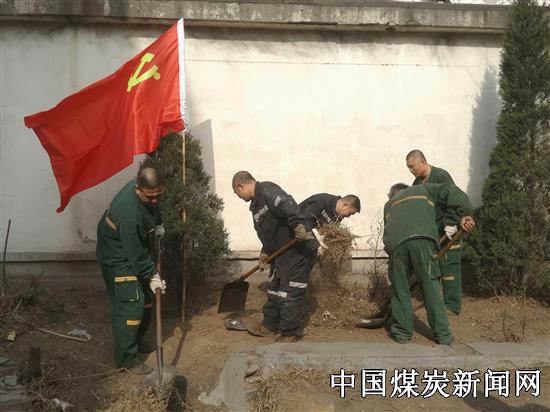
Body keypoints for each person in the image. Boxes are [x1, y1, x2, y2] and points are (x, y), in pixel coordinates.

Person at [383, 182, 475, 345]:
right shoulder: (423, 189)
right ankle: (443, 335)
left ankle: (402, 333)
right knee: (430, 286)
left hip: (396, 245)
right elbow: (450, 190)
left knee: (400, 288)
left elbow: (389, 233)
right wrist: (465, 214)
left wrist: (395, 268)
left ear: (392, 195)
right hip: (423, 239)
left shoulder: (388, 205)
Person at [96, 167, 167, 374]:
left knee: (146, 299)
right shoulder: (129, 213)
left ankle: (136, 340)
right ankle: (126, 359)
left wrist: (158, 223)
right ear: (138, 189)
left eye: (159, 195)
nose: (155, 200)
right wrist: (152, 274)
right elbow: (134, 253)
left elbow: (153, 207)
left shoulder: (149, 193)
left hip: (132, 250)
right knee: (131, 305)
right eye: (150, 197)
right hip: (117, 256)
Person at [232, 171, 316, 342]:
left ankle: (289, 333)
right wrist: (265, 252)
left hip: (299, 251)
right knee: (274, 291)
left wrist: (298, 225)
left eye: (237, 193)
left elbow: (288, 204)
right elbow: (269, 233)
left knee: (289, 293)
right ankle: (269, 326)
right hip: (283, 255)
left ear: (241, 186)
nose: (238, 197)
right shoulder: (256, 205)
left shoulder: (267, 190)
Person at [406, 149, 463, 315]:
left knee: (449, 269)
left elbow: (454, 198)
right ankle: (437, 303)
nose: (411, 170)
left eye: (413, 166)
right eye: (408, 168)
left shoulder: (441, 176)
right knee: (434, 269)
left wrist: (451, 223)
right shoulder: (416, 184)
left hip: (448, 232)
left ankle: (452, 306)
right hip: (430, 233)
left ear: (423, 162)